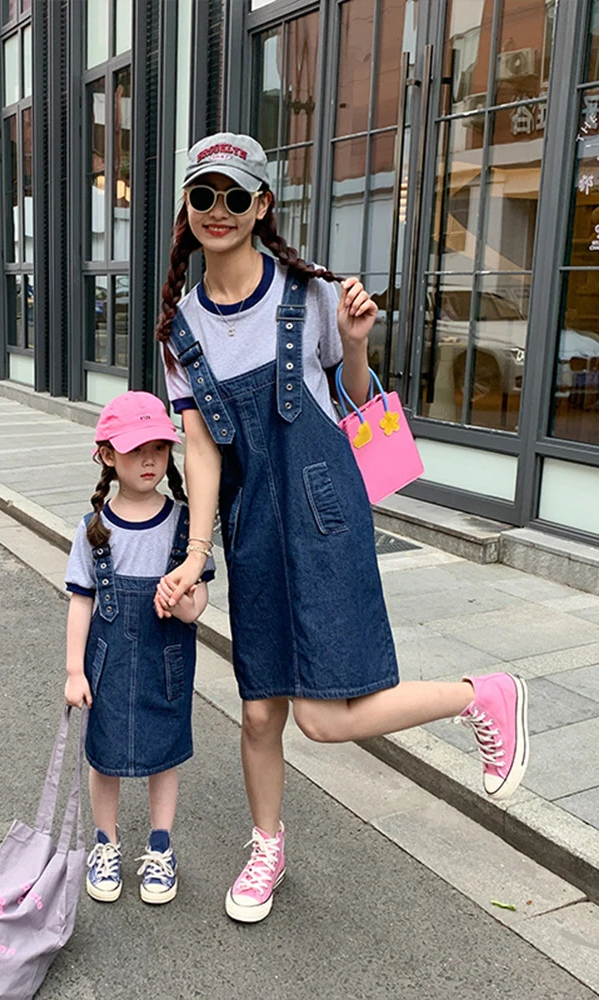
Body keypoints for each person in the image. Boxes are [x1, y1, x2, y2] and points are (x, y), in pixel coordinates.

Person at [153, 132, 530, 924]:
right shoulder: (180, 332)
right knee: (259, 711)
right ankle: (267, 847)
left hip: (326, 517)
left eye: (234, 195)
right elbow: (203, 449)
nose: (217, 211)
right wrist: (196, 555)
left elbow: (365, 422)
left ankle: (483, 695)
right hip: (254, 526)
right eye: (203, 196)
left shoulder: (312, 295)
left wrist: (356, 350)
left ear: (261, 206)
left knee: (323, 716)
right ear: (187, 210)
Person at [64, 391, 214, 906]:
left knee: (162, 755)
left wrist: (186, 605)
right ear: (107, 455)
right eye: (134, 450)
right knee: (103, 756)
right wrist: (73, 671)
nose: (150, 460)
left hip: (166, 663)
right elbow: (80, 603)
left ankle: (161, 845)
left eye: (159, 447)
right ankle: (105, 844)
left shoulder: (183, 525)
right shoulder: (93, 530)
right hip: (105, 665)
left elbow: (202, 601)